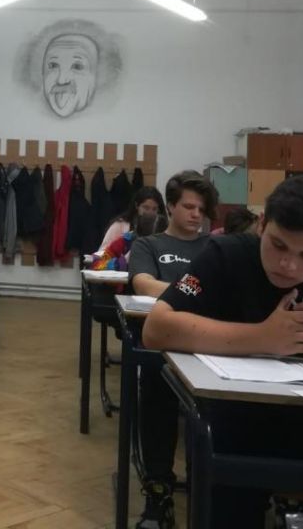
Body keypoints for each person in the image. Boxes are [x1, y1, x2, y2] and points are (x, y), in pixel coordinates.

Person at [143, 175, 303, 528]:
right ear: (261, 225)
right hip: (241, 421)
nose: (288, 265)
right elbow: (157, 328)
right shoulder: (225, 256)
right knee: (226, 487)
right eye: (278, 245)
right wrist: (262, 338)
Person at [129, 169, 218, 529]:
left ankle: (207, 486)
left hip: (210, 346)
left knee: (214, 412)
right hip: (164, 343)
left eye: (202, 209)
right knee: (155, 390)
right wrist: (197, 293)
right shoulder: (149, 245)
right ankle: (158, 490)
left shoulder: (215, 247)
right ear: (170, 206)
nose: (197, 215)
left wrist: (177, 293)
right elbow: (143, 284)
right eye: (189, 207)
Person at [97, 185, 166, 251]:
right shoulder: (119, 226)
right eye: (146, 208)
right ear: (137, 206)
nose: (150, 213)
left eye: (154, 209)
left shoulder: (162, 228)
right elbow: (102, 254)